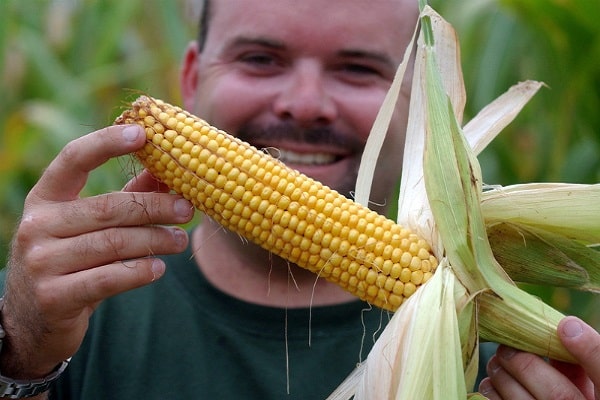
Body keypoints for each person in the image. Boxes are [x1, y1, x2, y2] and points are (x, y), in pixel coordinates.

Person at [0, 0, 599, 399]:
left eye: (358, 69)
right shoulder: (57, 313)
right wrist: (21, 358)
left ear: (418, 100)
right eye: (260, 59)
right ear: (189, 78)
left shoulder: (501, 367)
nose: (305, 102)